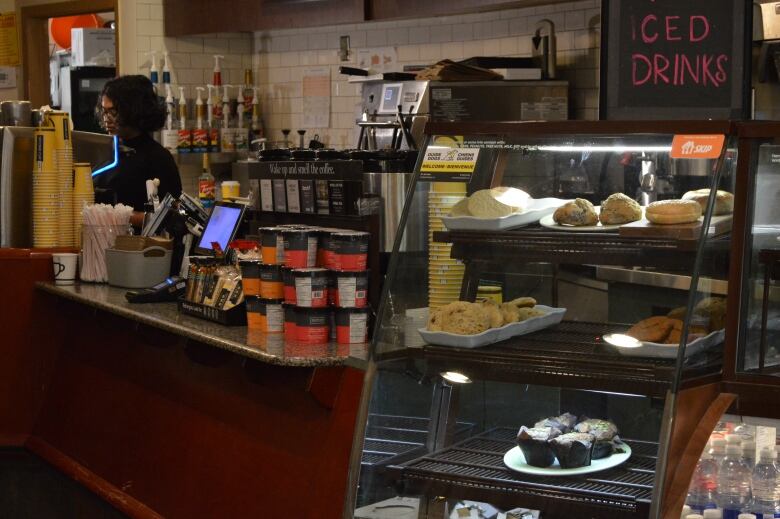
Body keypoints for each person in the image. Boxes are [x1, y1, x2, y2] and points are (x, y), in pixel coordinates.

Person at [93, 75, 182, 226]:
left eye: (113, 112)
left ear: (134, 111)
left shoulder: (158, 158)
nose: (107, 118)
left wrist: (118, 216)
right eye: (104, 111)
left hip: (137, 245)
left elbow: (170, 216)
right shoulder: (104, 151)